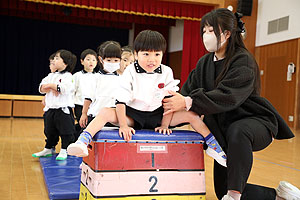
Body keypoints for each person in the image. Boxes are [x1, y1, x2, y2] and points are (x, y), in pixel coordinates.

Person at [162, 8, 299, 200]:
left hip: (254, 123)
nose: (206, 35)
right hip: (223, 130)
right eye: (204, 31)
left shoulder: (243, 60)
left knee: (238, 131)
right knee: (221, 191)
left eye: (211, 31)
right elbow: (184, 94)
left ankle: (234, 195)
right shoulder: (204, 63)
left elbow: (228, 96)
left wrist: (188, 101)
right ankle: (280, 196)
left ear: (226, 34)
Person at [67, 30, 227, 168]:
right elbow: (121, 101)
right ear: (136, 54)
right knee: (105, 112)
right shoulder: (130, 71)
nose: (152, 59)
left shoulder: (166, 71)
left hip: (158, 115)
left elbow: (169, 101)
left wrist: (165, 124)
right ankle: (83, 140)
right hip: (132, 115)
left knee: (192, 115)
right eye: (146, 54)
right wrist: (123, 125)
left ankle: (213, 145)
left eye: (157, 54)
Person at [32, 49, 77, 161]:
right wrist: (52, 86)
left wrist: (52, 86)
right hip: (50, 109)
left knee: (66, 131)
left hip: (63, 110)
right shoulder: (50, 75)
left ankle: (64, 149)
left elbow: (64, 89)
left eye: (57, 58)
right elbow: (41, 88)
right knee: (49, 130)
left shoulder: (68, 76)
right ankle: (48, 148)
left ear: (65, 63)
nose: (54, 60)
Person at [79, 41, 122, 129]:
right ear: (101, 59)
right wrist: (84, 114)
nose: (112, 63)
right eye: (109, 60)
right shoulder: (95, 77)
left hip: (115, 119)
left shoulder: (122, 79)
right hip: (96, 116)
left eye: (116, 60)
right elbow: (88, 98)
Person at [73, 49, 98, 138]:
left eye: (93, 60)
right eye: (88, 59)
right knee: (82, 124)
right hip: (80, 105)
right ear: (82, 61)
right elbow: (72, 90)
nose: (91, 62)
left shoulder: (98, 76)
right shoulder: (77, 76)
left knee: (90, 125)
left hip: (93, 106)